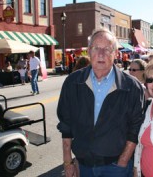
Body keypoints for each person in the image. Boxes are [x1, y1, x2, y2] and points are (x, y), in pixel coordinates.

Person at [57, 28, 145, 177]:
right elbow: (66, 124)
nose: (101, 54)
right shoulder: (72, 82)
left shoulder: (132, 87)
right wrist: (67, 162)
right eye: (96, 48)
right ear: (89, 51)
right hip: (83, 166)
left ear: (116, 54)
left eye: (108, 49)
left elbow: (135, 128)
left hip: (116, 167)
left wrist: (123, 160)